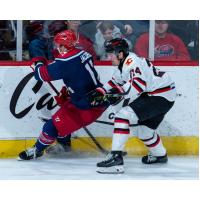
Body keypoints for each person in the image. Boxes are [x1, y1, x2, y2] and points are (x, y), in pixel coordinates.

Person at [90, 38, 177, 174]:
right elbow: (114, 82)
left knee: (122, 115)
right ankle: (160, 155)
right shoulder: (124, 65)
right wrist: (100, 91)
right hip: (164, 95)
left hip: (159, 95)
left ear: (120, 53)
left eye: (111, 53)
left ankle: (116, 158)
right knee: (144, 131)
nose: (108, 57)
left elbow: (137, 86)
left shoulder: (132, 62)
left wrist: (117, 92)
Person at [18, 30, 107, 160]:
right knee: (63, 116)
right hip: (93, 98)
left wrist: (38, 62)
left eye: (58, 44)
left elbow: (41, 75)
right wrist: (72, 92)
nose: (56, 47)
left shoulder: (65, 62)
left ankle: (37, 150)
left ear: (65, 46)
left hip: (86, 105)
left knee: (51, 125)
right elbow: (82, 75)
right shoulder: (84, 54)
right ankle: (64, 146)